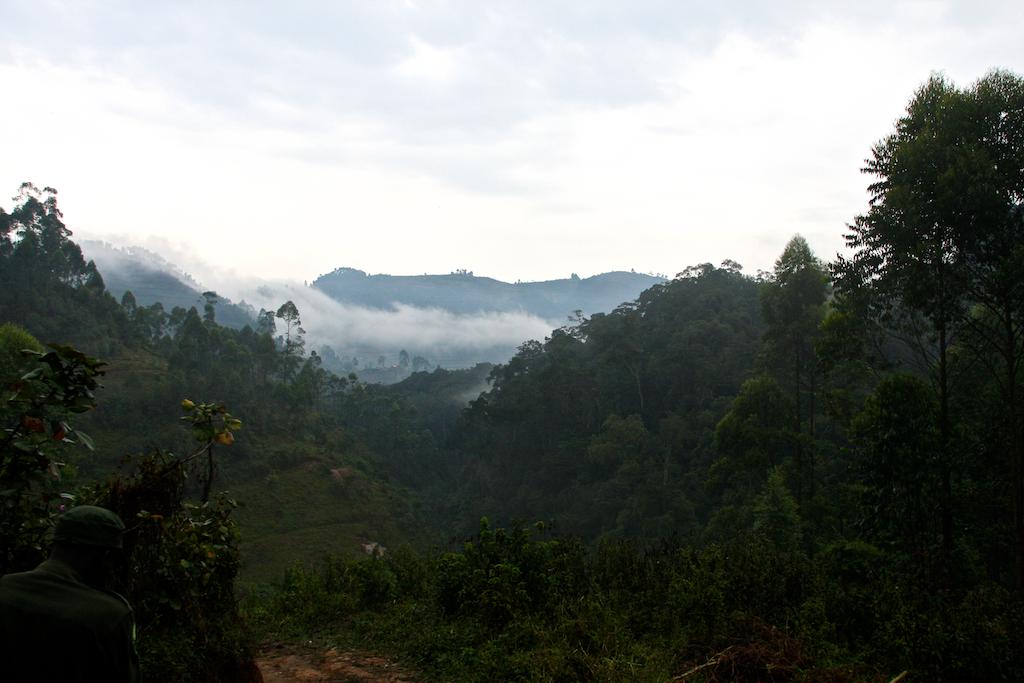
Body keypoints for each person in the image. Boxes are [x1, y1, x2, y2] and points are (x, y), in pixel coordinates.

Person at [0, 505, 140, 682]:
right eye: (112, 558)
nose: (111, 568)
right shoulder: (110, 614)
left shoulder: (5, 586)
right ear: (103, 555)